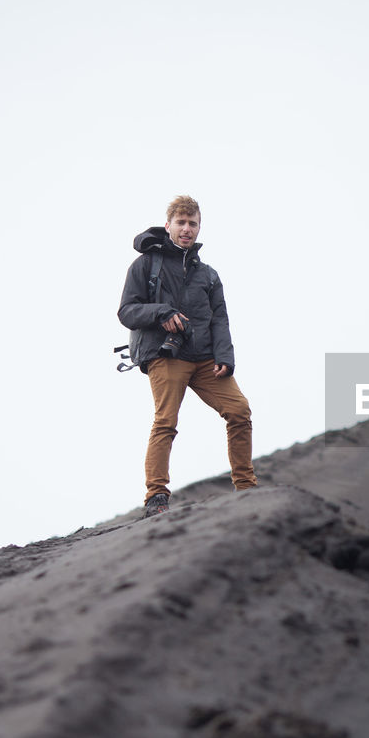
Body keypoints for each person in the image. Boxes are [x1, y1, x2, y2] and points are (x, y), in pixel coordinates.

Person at [118, 195, 257, 516]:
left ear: (198, 227)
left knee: (239, 411)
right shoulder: (145, 265)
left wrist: (225, 356)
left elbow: (220, 318)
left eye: (192, 223)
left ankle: (247, 489)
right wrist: (161, 313)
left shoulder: (207, 274)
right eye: (180, 223)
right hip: (165, 356)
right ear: (168, 226)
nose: (186, 229)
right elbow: (126, 311)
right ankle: (156, 496)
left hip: (207, 358)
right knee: (165, 421)